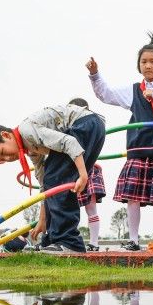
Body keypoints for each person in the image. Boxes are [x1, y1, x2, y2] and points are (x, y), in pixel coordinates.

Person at [87, 33, 153, 252]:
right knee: (133, 197)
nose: (148, 65)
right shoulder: (134, 90)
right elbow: (106, 94)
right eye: (143, 61)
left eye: (152, 61)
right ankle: (133, 240)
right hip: (138, 149)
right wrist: (95, 75)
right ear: (138, 65)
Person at [0, 102, 106, 254]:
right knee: (53, 179)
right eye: (2, 159)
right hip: (93, 128)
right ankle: (54, 240)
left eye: (2, 152)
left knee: (56, 178)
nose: (7, 157)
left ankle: (69, 242)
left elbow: (69, 142)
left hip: (85, 125)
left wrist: (83, 175)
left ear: (5, 135)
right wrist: (42, 219)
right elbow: (45, 185)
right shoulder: (31, 150)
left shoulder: (27, 131)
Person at [68, 98, 106, 252]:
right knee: (71, 208)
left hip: (90, 170)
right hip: (74, 170)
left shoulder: (94, 124)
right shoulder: (70, 127)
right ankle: (69, 239)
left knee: (91, 209)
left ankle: (94, 243)